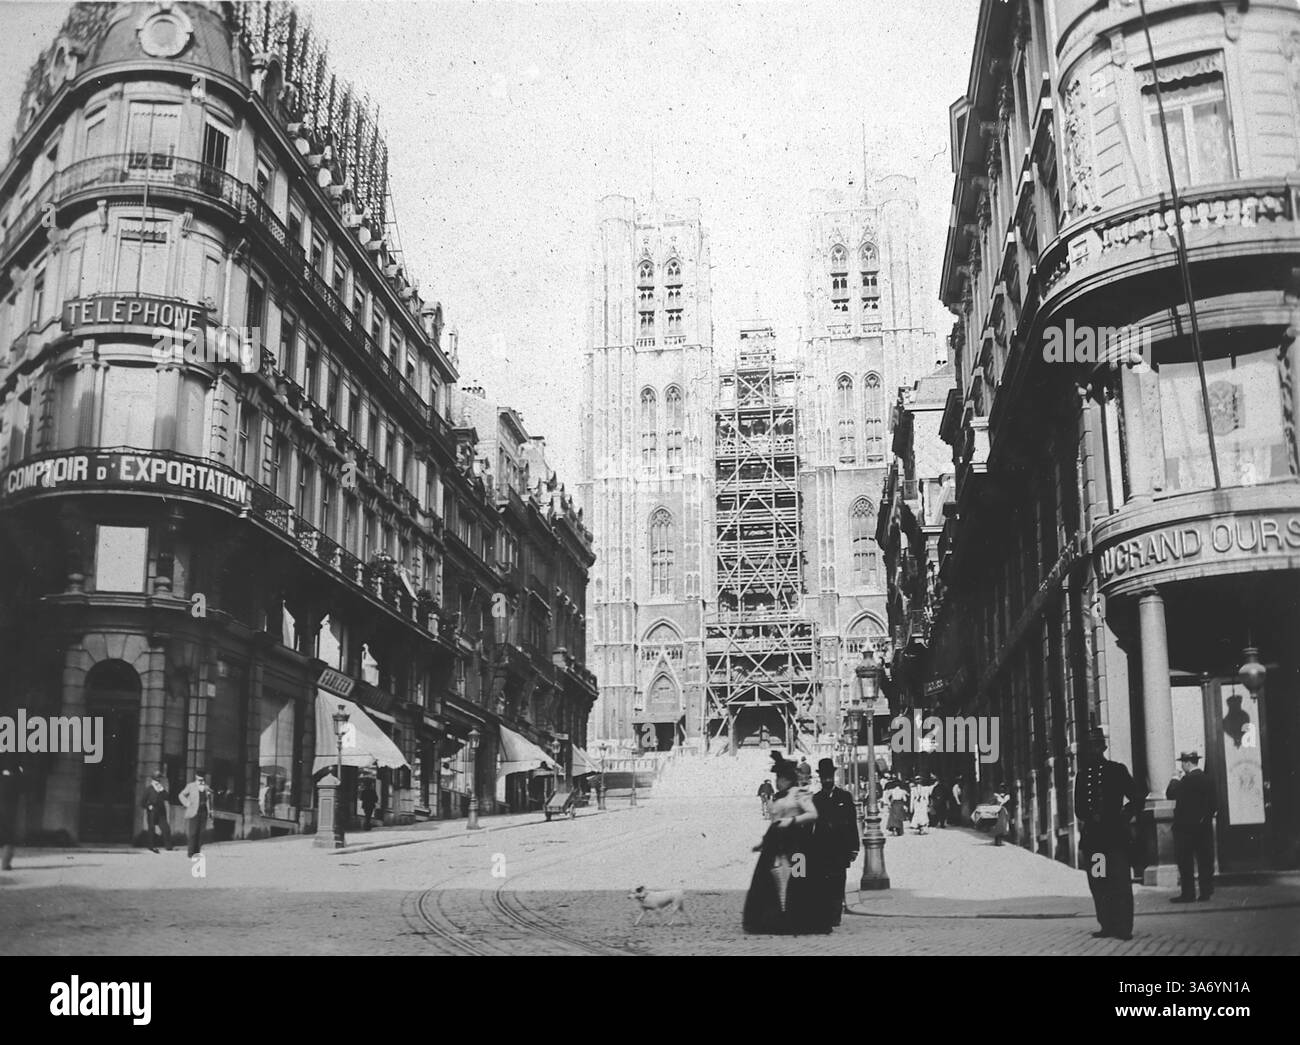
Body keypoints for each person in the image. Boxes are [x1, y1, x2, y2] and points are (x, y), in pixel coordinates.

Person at [743, 752, 827, 935]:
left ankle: (800, 918)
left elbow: (813, 814)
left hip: (797, 843)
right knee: (770, 881)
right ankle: (775, 917)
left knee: (799, 877)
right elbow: (774, 822)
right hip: (775, 843)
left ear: (789, 780)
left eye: (781, 778)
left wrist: (792, 821)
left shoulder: (799, 794)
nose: (777, 782)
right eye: (777, 778)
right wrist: (763, 842)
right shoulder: (777, 797)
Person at [1074, 727, 1141, 940]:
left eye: (1096, 746)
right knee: (1099, 882)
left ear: (1103, 748)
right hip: (1094, 841)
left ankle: (1124, 928)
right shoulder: (1082, 775)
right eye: (1089, 747)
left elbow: (1137, 796)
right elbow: (1078, 808)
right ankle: (1107, 925)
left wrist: (1124, 815)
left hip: (1116, 839)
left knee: (1120, 882)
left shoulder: (1117, 770)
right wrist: (1089, 815)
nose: (1093, 751)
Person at [810, 758, 859, 927]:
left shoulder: (844, 797)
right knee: (823, 883)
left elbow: (852, 822)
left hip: (840, 847)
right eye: (824, 777)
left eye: (829, 776)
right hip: (821, 847)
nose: (827, 780)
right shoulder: (816, 799)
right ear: (820, 778)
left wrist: (854, 848)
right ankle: (825, 914)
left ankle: (835, 915)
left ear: (833, 776)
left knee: (838, 882)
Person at [1166, 751, 1215, 903]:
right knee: (1205, 860)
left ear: (1187, 763)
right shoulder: (1208, 779)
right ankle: (1205, 893)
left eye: (1183, 762)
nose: (1182, 765)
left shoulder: (1186, 780)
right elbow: (1214, 804)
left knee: (1185, 862)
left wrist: (1174, 778)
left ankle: (1188, 894)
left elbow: (1170, 794)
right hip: (1204, 828)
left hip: (1185, 829)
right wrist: (1204, 819)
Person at [178, 769, 213, 858]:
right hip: (194, 812)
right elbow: (181, 795)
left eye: (202, 778)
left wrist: (211, 811)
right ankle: (190, 853)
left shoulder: (206, 787)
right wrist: (187, 803)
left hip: (203, 811)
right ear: (196, 777)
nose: (201, 780)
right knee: (193, 833)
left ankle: (197, 852)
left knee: (201, 833)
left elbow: (209, 800)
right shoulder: (191, 786)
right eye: (199, 778)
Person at [0, 757, 23, 871]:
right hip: (8, 794)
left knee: (8, 833)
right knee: (8, 834)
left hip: (7, 791)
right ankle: (5, 863)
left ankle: (5, 863)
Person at [141, 770, 172, 852]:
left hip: (161, 811)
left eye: (159, 779)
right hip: (152, 811)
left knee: (165, 828)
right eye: (157, 779)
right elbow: (142, 802)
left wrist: (162, 790)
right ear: (153, 780)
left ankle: (168, 846)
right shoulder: (149, 789)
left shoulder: (161, 789)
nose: (158, 781)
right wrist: (148, 806)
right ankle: (151, 846)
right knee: (151, 828)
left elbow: (167, 798)